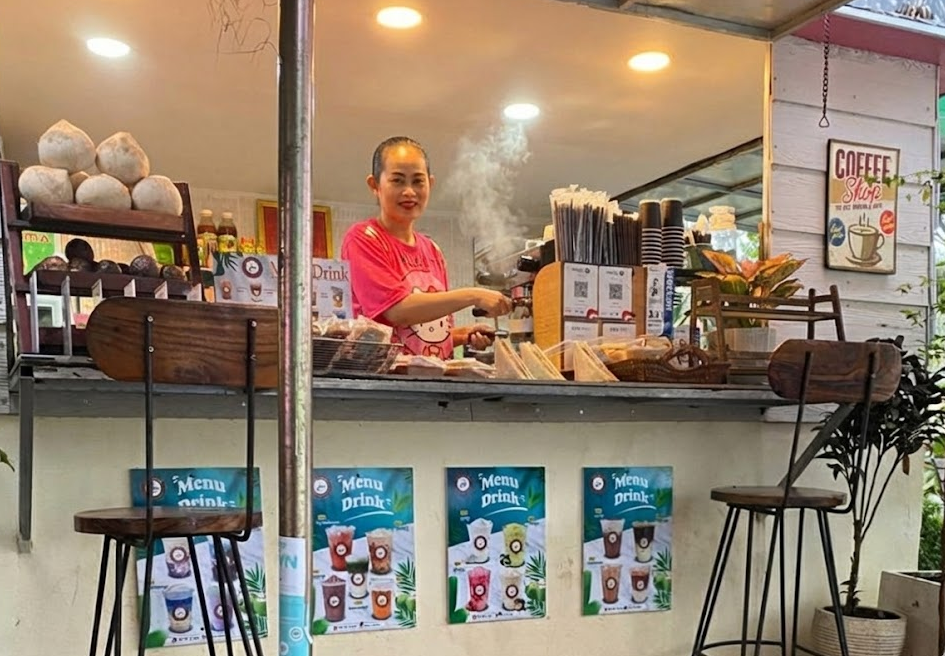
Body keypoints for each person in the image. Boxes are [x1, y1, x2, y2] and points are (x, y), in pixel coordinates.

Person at [341, 136, 512, 359]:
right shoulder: (363, 238)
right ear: (375, 185)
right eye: (398, 180)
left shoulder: (432, 250)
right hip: (385, 385)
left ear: (430, 184)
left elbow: (425, 331)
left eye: (418, 181)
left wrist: (463, 335)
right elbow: (397, 312)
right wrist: (474, 295)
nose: (409, 191)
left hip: (430, 382)